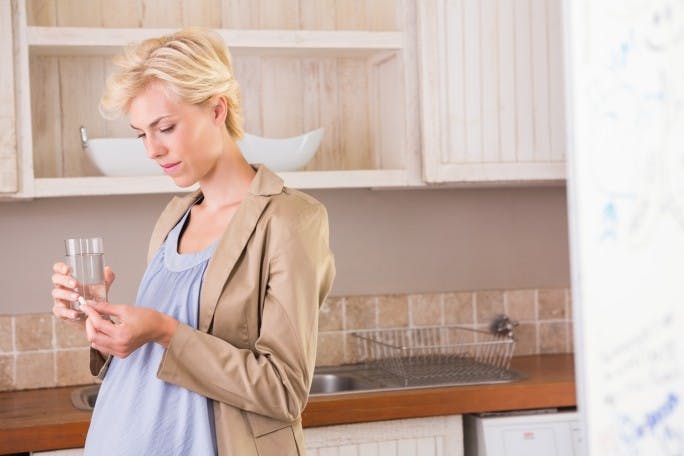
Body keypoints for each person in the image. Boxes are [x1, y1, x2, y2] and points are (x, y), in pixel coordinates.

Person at [50, 28, 335, 455]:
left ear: (217, 110)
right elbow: (152, 364)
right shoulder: (173, 217)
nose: (152, 149)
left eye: (164, 127)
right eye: (141, 134)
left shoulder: (290, 220)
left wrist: (165, 331)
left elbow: (283, 390)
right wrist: (100, 322)